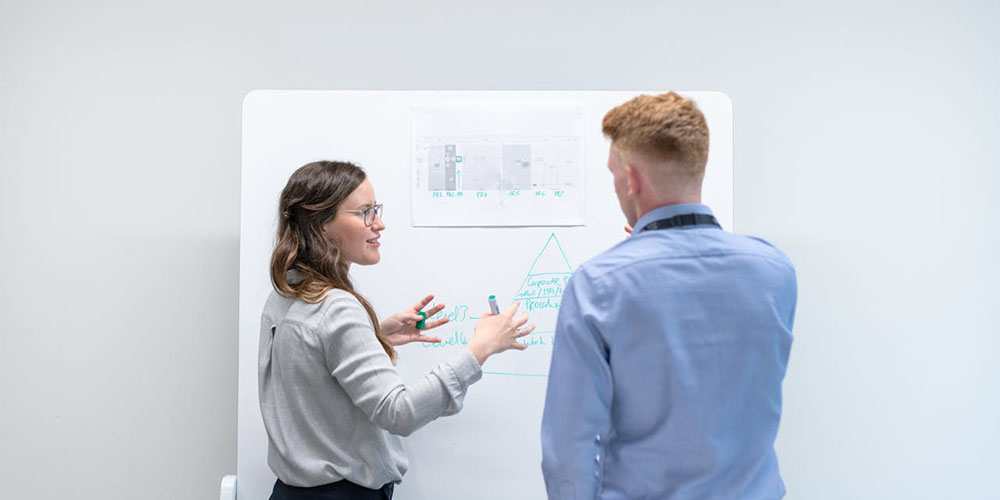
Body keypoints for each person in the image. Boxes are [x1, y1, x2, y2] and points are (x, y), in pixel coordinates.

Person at [541, 93, 797, 499]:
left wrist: (633, 261)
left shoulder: (598, 286)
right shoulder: (775, 271)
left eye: (613, 175)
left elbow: (568, 450)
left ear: (631, 179)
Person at [259, 160, 534, 500]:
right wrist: (480, 348)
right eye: (365, 213)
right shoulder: (337, 309)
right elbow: (399, 413)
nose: (380, 224)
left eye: (377, 210)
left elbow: (311, 370)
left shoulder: (288, 292)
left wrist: (375, 337)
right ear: (322, 224)